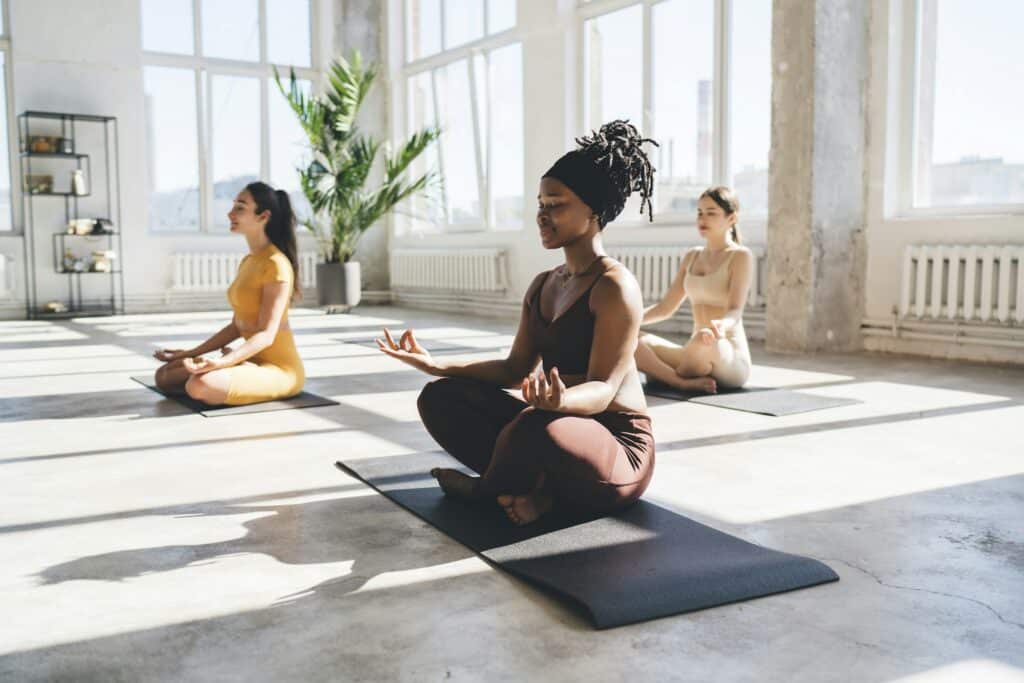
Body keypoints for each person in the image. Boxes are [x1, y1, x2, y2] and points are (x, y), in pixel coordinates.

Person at [378, 120, 656, 526]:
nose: (542, 216)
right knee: (440, 397)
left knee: (535, 427)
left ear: (593, 212)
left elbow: (603, 389)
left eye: (556, 205)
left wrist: (559, 404)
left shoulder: (615, 286)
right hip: (552, 423)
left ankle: (487, 489)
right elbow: (513, 370)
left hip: (616, 449)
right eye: (540, 205)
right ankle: (541, 493)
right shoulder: (544, 284)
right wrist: (435, 364)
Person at [152, 181, 305, 406]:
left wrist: (224, 363)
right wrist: (188, 353)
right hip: (248, 357)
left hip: (280, 371)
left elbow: (266, 334)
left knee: (199, 385)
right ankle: (241, 368)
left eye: (240, 207)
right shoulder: (249, 261)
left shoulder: (276, 265)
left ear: (263, 216)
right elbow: (237, 326)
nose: (230, 213)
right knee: (165, 376)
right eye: (233, 206)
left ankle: (240, 368)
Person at [635, 186, 753, 394]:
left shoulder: (741, 256)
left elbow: (735, 310)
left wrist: (720, 327)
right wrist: (629, 321)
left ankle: (664, 375)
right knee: (630, 340)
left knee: (703, 340)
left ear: (731, 218)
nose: (702, 219)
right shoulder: (692, 256)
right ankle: (681, 377)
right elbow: (665, 308)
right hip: (694, 352)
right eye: (699, 212)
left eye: (711, 213)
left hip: (726, 353)